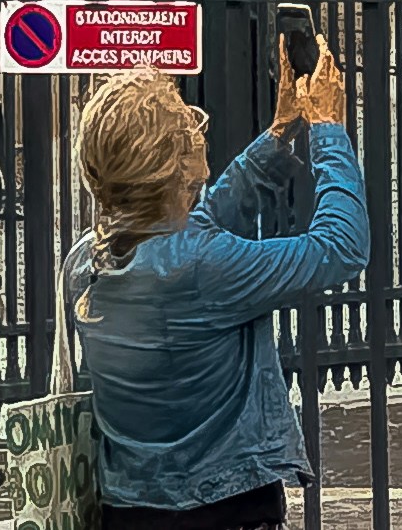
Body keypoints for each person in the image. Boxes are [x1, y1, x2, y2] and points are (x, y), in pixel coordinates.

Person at [68, 37, 369, 530]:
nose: (196, 129)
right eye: (186, 127)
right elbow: (340, 247)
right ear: (174, 165)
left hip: (129, 508)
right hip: (223, 507)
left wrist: (279, 133)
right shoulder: (201, 269)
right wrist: (328, 129)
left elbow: (196, 221)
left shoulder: (87, 262)